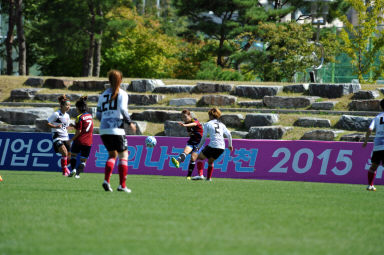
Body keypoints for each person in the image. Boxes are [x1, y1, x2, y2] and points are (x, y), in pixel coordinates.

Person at [97, 69, 136, 193]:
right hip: (117, 129)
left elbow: (98, 114)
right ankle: (122, 185)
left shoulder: (103, 95)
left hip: (103, 129)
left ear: (109, 80)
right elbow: (123, 110)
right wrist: (130, 122)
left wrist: (105, 121)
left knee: (112, 155)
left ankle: (106, 181)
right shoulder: (122, 93)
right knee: (123, 155)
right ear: (121, 80)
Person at [192, 107, 233, 181]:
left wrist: (198, 147)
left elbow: (204, 137)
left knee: (199, 158)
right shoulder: (222, 125)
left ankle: (200, 175)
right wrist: (230, 145)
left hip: (213, 145)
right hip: (221, 147)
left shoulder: (208, 124)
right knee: (211, 161)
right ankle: (208, 178)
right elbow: (229, 134)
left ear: (210, 116)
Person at [170, 109, 204, 180]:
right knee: (185, 152)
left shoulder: (194, 120)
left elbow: (194, 124)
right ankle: (178, 162)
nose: (184, 119)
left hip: (199, 144)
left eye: (185, 117)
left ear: (189, 116)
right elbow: (190, 134)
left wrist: (185, 125)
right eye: (182, 117)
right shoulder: (188, 126)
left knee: (193, 158)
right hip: (192, 142)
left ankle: (189, 175)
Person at [68, 96, 94, 179]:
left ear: (78, 108)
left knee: (73, 155)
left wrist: (71, 140)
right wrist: (75, 126)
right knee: (83, 161)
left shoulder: (79, 117)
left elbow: (79, 132)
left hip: (79, 141)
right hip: (88, 142)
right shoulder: (90, 116)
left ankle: (73, 170)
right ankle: (77, 174)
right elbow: (85, 128)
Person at [47, 94, 72, 176]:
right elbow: (47, 123)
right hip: (57, 136)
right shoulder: (56, 114)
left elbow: (66, 126)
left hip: (66, 137)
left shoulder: (67, 115)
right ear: (61, 105)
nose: (68, 107)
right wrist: (55, 126)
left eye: (69, 105)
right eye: (67, 105)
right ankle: (64, 172)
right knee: (64, 153)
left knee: (69, 156)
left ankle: (66, 169)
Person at [362, 98, 384, 191]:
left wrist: (366, 141)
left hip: (378, 146)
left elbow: (370, 129)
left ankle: (370, 185)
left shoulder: (377, 117)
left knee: (374, 166)